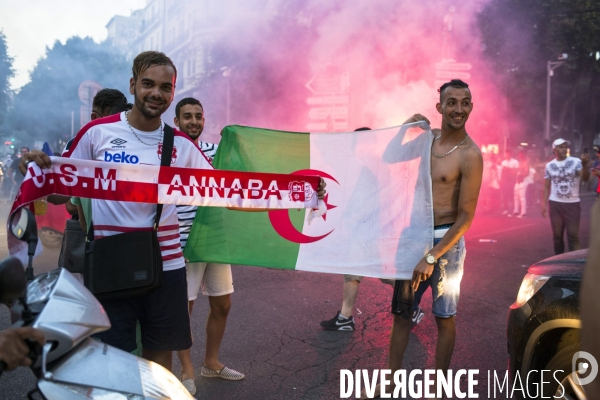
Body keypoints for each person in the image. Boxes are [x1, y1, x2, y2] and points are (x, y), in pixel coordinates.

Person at [21, 51, 214, 372]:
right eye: (148, 84)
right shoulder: (97, 134)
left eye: (165, 87)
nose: (157, 93)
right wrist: (39, 173)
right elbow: (59, 197)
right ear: (133, 84)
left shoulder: (181, 143)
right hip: (110, 263)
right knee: (114, 361)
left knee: (159, 360)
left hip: (166, 267)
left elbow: (227, 189)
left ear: (173, 91)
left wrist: (302, 190)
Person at [388, 79, 482, 389]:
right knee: (402, 315)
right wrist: (406, 126)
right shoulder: (427, 140)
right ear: (439, 107)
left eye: (464, 102)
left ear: (470, 106)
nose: (458, 108)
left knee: (445, 317)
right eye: (452, 102)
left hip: (447, 246)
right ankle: (389, 384)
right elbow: (390, 157)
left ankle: (440, 389)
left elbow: (466, 219)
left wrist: (431, 256)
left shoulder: (470, 154)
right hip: (413, 235)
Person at [173, 97, 244, 395]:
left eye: (198, 116)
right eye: (187, 116)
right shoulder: (168, 154)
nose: (193, 121)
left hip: (215, 237)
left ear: (204, 121)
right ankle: (187, 370)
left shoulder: (217, 152)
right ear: (176, 122)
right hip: (183, 240)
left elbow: (247, 177)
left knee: (223, 304)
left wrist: (241, 145)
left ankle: (210, 363)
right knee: (183, 310)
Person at [320, 127, 396, 332]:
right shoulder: (372, 163)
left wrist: (355, 220)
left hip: (367, 228)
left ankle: (410, 304)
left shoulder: (368, 164)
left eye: (357, 140)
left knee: (379, 272)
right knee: (354, 271)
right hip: (366, 227)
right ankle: (345, 317)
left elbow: (369, 199)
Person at [541, 139, 589, 254]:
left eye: (565, 147)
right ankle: (559, 263)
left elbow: (585, 178)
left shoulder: (576, 161)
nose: (564, 149)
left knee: (573, 236)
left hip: (572, 204)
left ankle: (575, 265)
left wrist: (584, 164)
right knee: (557, 237)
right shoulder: (549, 165)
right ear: (554, 149)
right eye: (561, 147)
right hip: (555, 204)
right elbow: (546, 186)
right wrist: (543, 203)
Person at [512, 151, 532, 218]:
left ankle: (523, 213)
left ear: (524, 155)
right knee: (516, 197)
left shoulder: (526, 163)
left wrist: (520, 174)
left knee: (522, 197)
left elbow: (527, 173)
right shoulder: (520, 163)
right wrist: (515, 172)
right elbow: (516, 171)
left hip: (523, 181)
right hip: (517, 181)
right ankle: (516, 211)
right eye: (519, 155)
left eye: (521, 155)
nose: (520, 156)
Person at [499, 149, 518, 215]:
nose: (507, 155)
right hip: (505, 181)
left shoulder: (515, 162)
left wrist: (508, 169)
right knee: (505, 195)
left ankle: (514, 209)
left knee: (512, 195)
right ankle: (506, 209)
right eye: (506, 154)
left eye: (508, 154)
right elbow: (502, 172)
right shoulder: (503, 162)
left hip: (512, 181)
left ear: (510, 154)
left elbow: (515, 172)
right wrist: (501, 180)